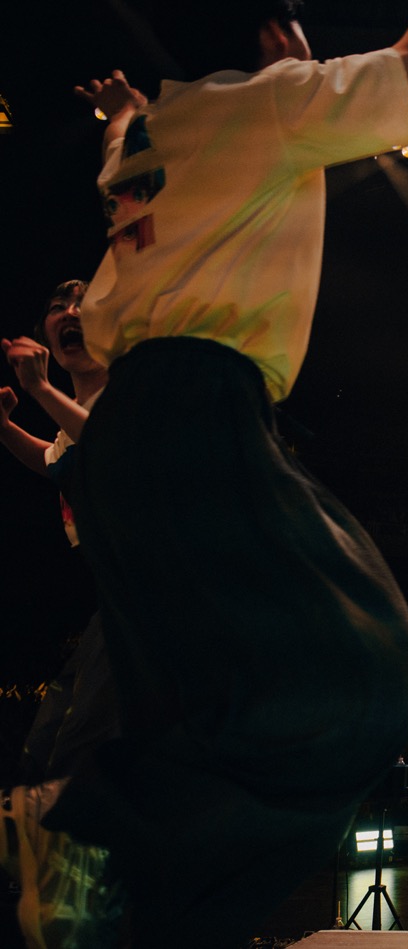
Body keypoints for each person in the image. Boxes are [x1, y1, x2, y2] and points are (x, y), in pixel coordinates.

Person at [38, 2, 408, 946]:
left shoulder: (147, 132)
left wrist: (123, 108)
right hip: (201, 412)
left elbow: (127, 137)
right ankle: (75, 836)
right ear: (278, 39)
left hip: (126, 435)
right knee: (379, 670)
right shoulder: (270, 100)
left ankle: (107, 891)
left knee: (183, 708)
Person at [2, 280, 126, 947]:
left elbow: (108, 444)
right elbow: (53, 459)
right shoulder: (69, 422)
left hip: (156, 597)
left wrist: (41, 388)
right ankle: (65, 894)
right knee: (44, 752)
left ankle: (90, 899)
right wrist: (4, 427)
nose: (70, 312)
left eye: (85, 302)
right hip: (113, 602)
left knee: (79, 751)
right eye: (58, 305)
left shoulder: (128, 398)